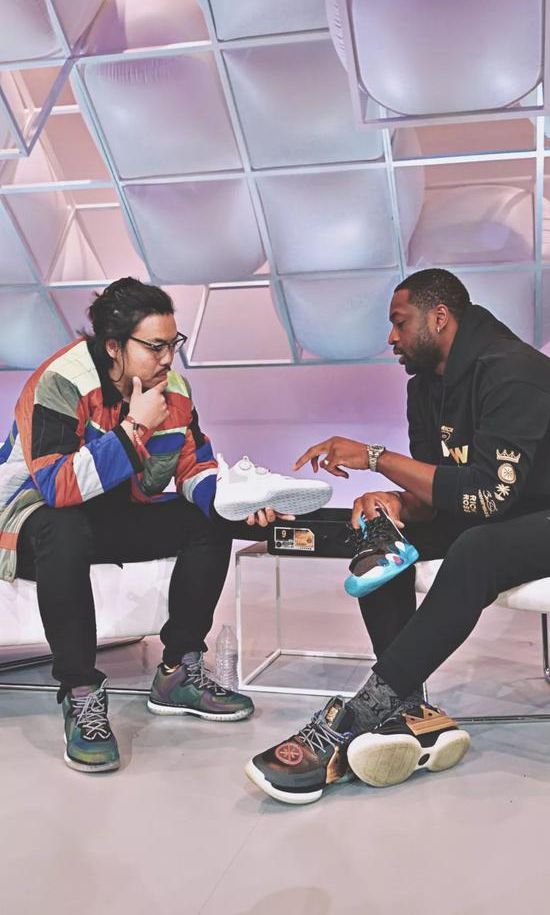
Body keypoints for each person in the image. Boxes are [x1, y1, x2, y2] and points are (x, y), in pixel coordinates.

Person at [246, 267, 550, 805]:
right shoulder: (424, 387)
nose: (391, 337)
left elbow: (487, 496)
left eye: (399, 322)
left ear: (439, 317)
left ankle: (360, 715)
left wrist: (375, 459)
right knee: (379, 534)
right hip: (503, 513)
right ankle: (408, 709)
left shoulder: (514, 370)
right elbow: (438, 494)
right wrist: (395, 504)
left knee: (477, 550)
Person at [0, 277, 288, 773]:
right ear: (114, 346)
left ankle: (178, 673)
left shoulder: (173, 390)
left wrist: (239, 503)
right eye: (155, 347)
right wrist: (135, 427)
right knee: (65, 527)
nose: (168, 358)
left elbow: (194, 468)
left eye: (173, 344)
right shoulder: (62, 380)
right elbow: (58, 487)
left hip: (112, 514)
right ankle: (81, 691)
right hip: (30, 522)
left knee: (208, 520)